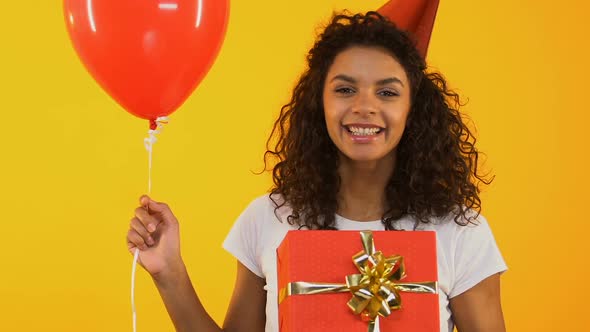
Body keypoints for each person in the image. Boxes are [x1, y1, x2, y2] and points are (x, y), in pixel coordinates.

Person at [126, 11, 507, 332]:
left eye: (387, 92)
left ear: (414, 110)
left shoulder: (459, 233)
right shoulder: (268, 219)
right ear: (317, 103)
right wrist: (169, 273)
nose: (364, 107)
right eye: (344, 90)